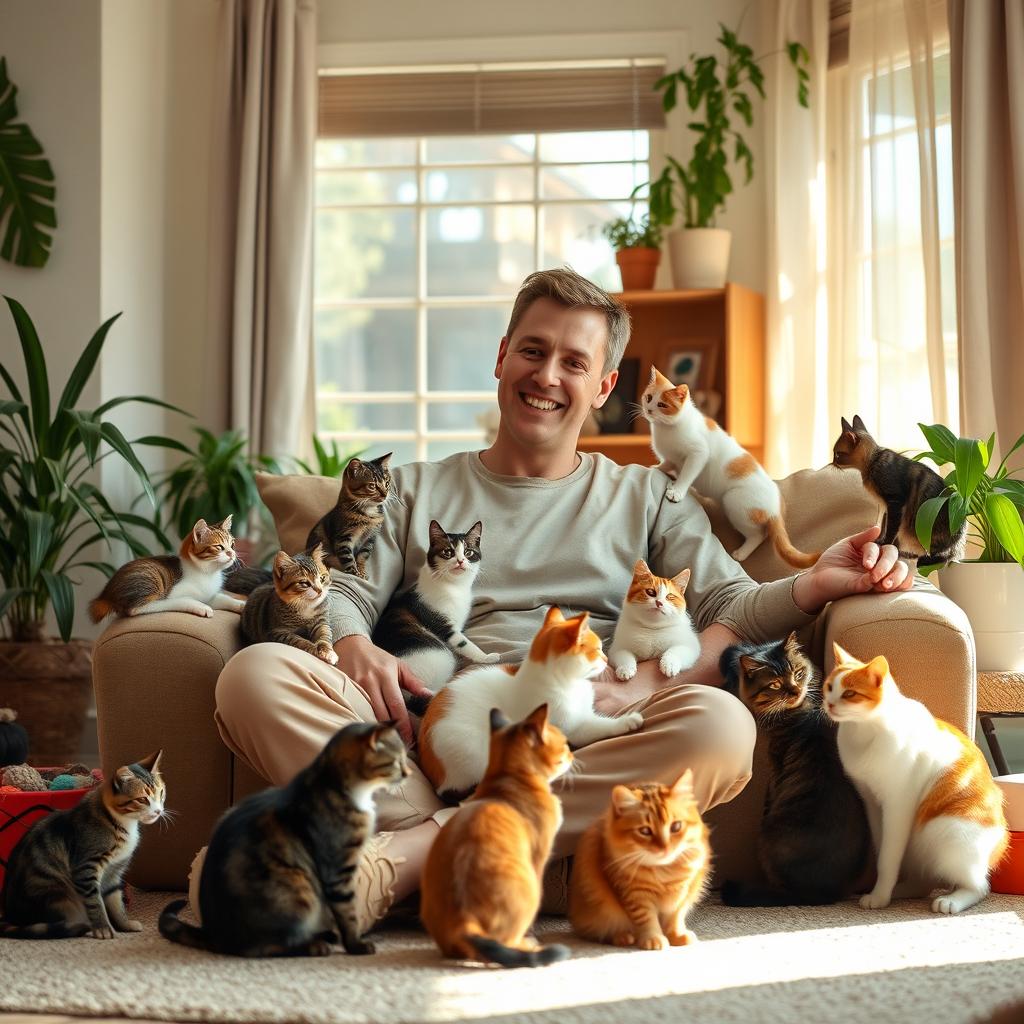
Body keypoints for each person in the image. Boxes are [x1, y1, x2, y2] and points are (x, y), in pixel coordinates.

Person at [205, 268, 913, 932]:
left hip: (587, 721)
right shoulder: (415, 488)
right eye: (533, 352)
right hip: (429, 734)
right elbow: (347, 590)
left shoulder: (649, 495)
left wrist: (816, 583)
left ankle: (409, 860)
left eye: (573, 363)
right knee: (254, 675)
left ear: (604, 386)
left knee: (722, 728)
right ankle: (502, 860)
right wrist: (356, 646)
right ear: (502, 356)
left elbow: (729, 601)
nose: (547, 376)